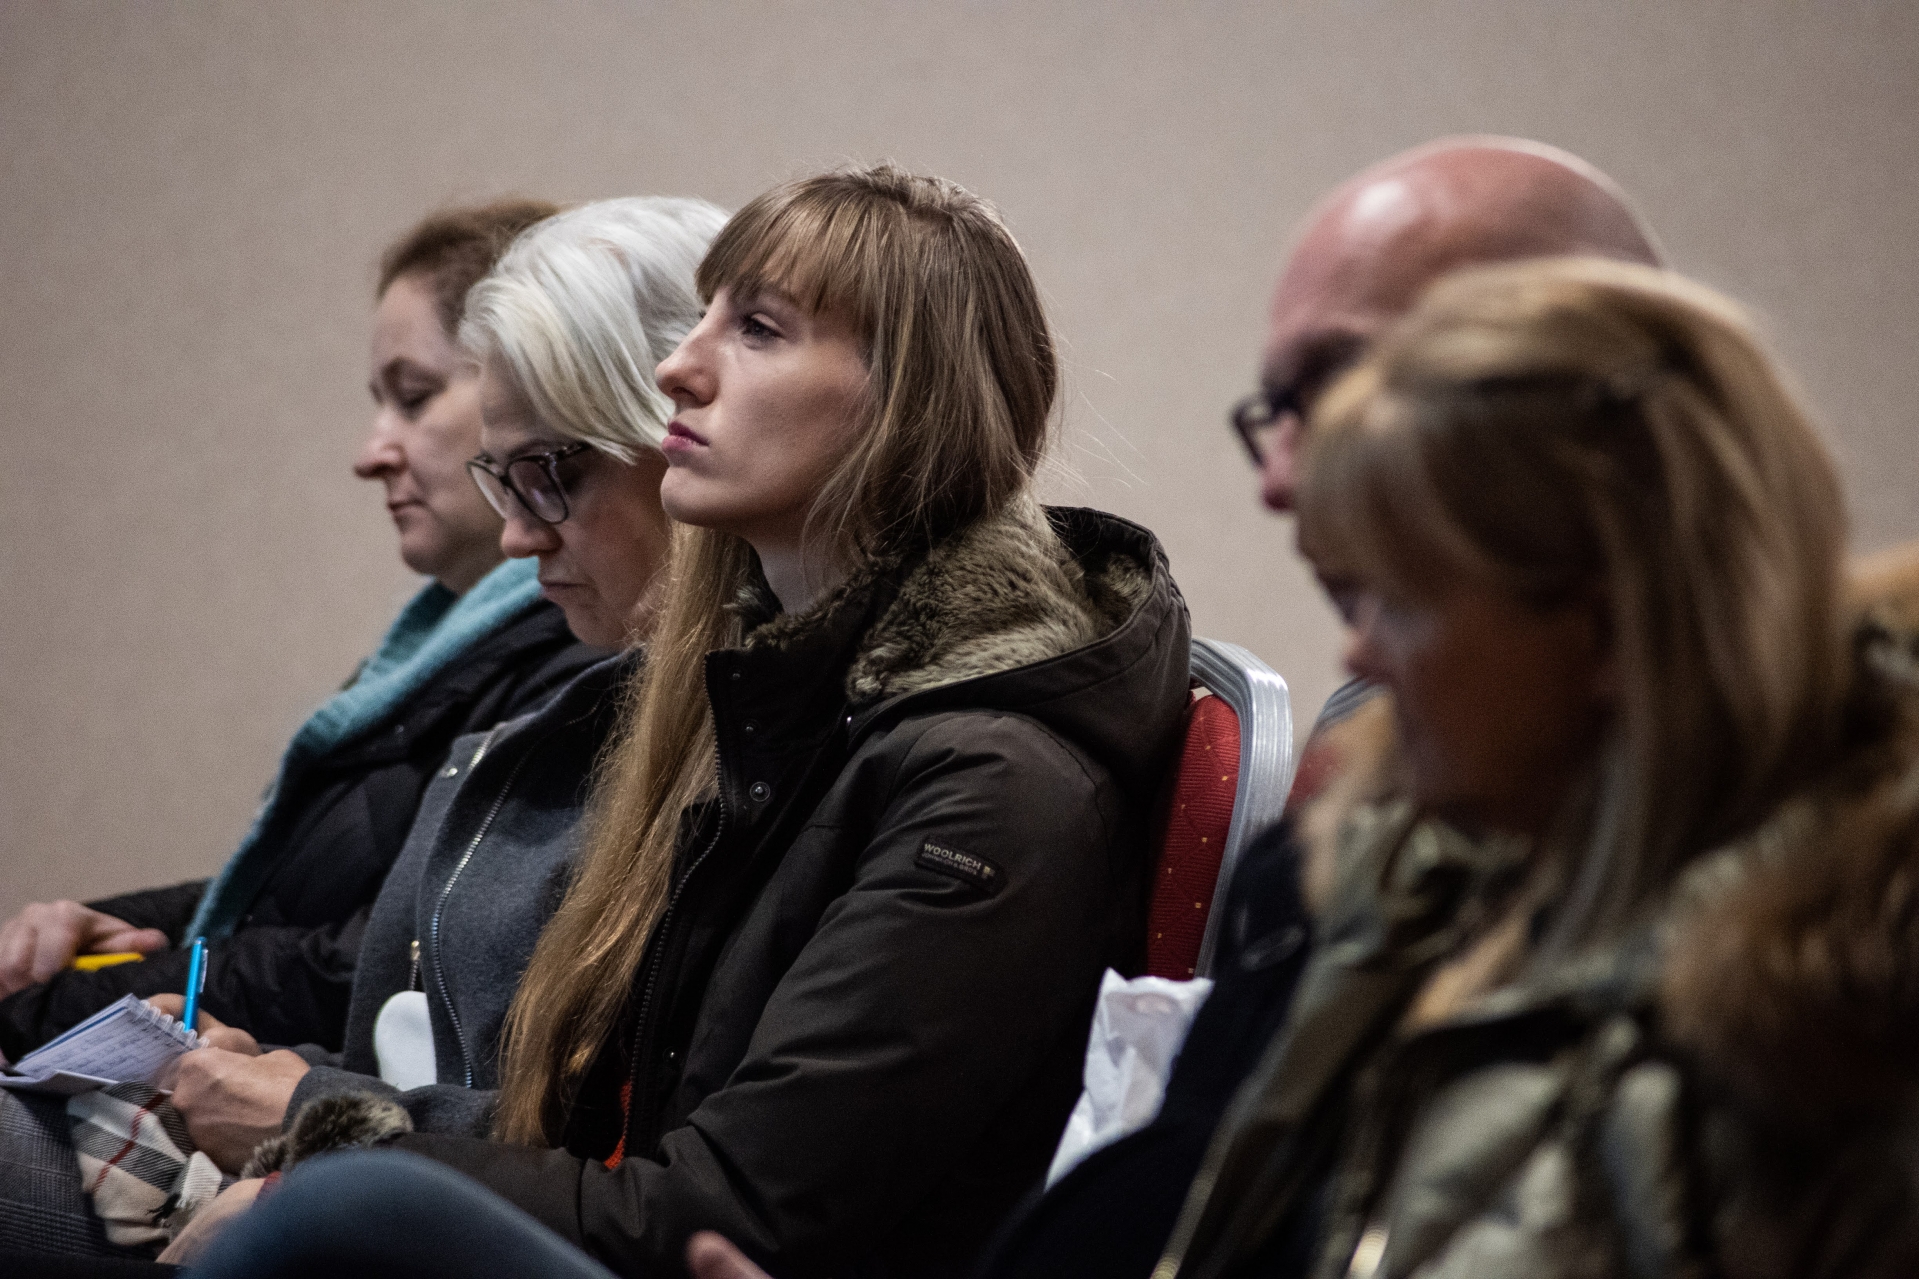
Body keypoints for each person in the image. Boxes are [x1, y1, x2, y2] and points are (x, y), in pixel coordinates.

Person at [173, 163, 1193, 1279]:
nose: (678, 367)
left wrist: (326, 1144)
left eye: (756, 328)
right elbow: (603, 1128)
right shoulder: (780, 704)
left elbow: (727, 1215)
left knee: (333, 1220)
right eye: (704, 315)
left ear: (908, 397)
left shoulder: (990, 782)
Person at [961, 137, 1671, 1279]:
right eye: (1275, 409)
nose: (1278, 478)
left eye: (1337, 387)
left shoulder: (1836, 926)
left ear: (1592, 399)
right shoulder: (1340, 849)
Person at [1148, 257, 1919, 1277]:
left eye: (1396, 602)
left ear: (1607, 631)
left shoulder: (1828, 1063)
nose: (1356, 655)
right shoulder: (1413, 895)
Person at [0, 199, 609, 1261]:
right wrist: (111, 927)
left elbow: (371, 957)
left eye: (413, 396)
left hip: (327, 1127)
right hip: (288, 1104)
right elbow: (293, 893)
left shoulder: (576, 664)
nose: (371, 453)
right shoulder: (430, 655)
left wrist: (60, 999)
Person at [154, 196, 728, 1180]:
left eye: (548, 472)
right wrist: (270, 1074)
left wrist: (307, 1111)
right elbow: (421, 1044)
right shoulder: (549, 716)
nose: (518, 533)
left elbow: (629, 1169)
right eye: (504, 478)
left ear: (675, 438)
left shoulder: (748, 747)